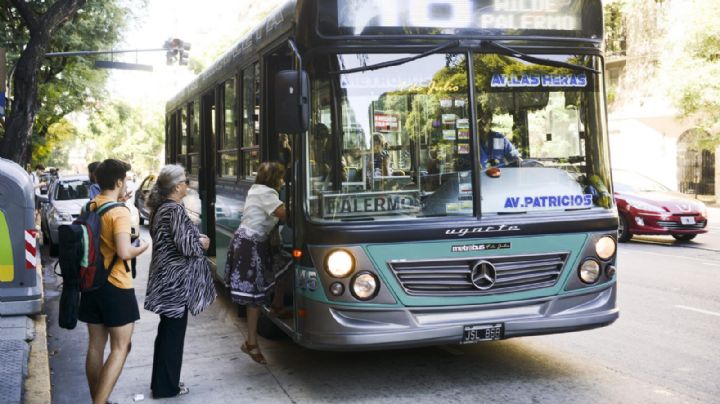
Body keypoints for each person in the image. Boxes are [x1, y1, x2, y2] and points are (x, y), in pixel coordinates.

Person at [77, 159, 149, 404]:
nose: (126, 182)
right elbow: (124, 252)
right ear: (119, 182)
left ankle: (98, 398)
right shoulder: (119, 212)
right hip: (116, 286)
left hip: (90, 285)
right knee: (121, 347)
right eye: (125, 179)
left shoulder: (90, 206)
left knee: (96, 346)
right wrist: (143, 247)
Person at [144, 164, 216, 398]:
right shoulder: (173, 210)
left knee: (167, 333)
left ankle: (162, 383)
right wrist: (202, 243)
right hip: (174, 284)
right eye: (185, 181)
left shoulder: (162, 208)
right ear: (176, 187)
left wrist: (195, 236)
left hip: (166, 280)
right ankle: (167, 387)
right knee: (172, 336)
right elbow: (186, 246)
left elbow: (174, 238)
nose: (188, 184)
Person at [224, 162, 292, 365]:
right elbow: (284, 214)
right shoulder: (267, 194)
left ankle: (277, 305)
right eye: (280, 177)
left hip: (255, 243)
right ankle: (251, 343)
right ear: (273, 179)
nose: (282, 181)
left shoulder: (257, 189)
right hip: (250, 245)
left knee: (285, 265)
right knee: (255, 298)